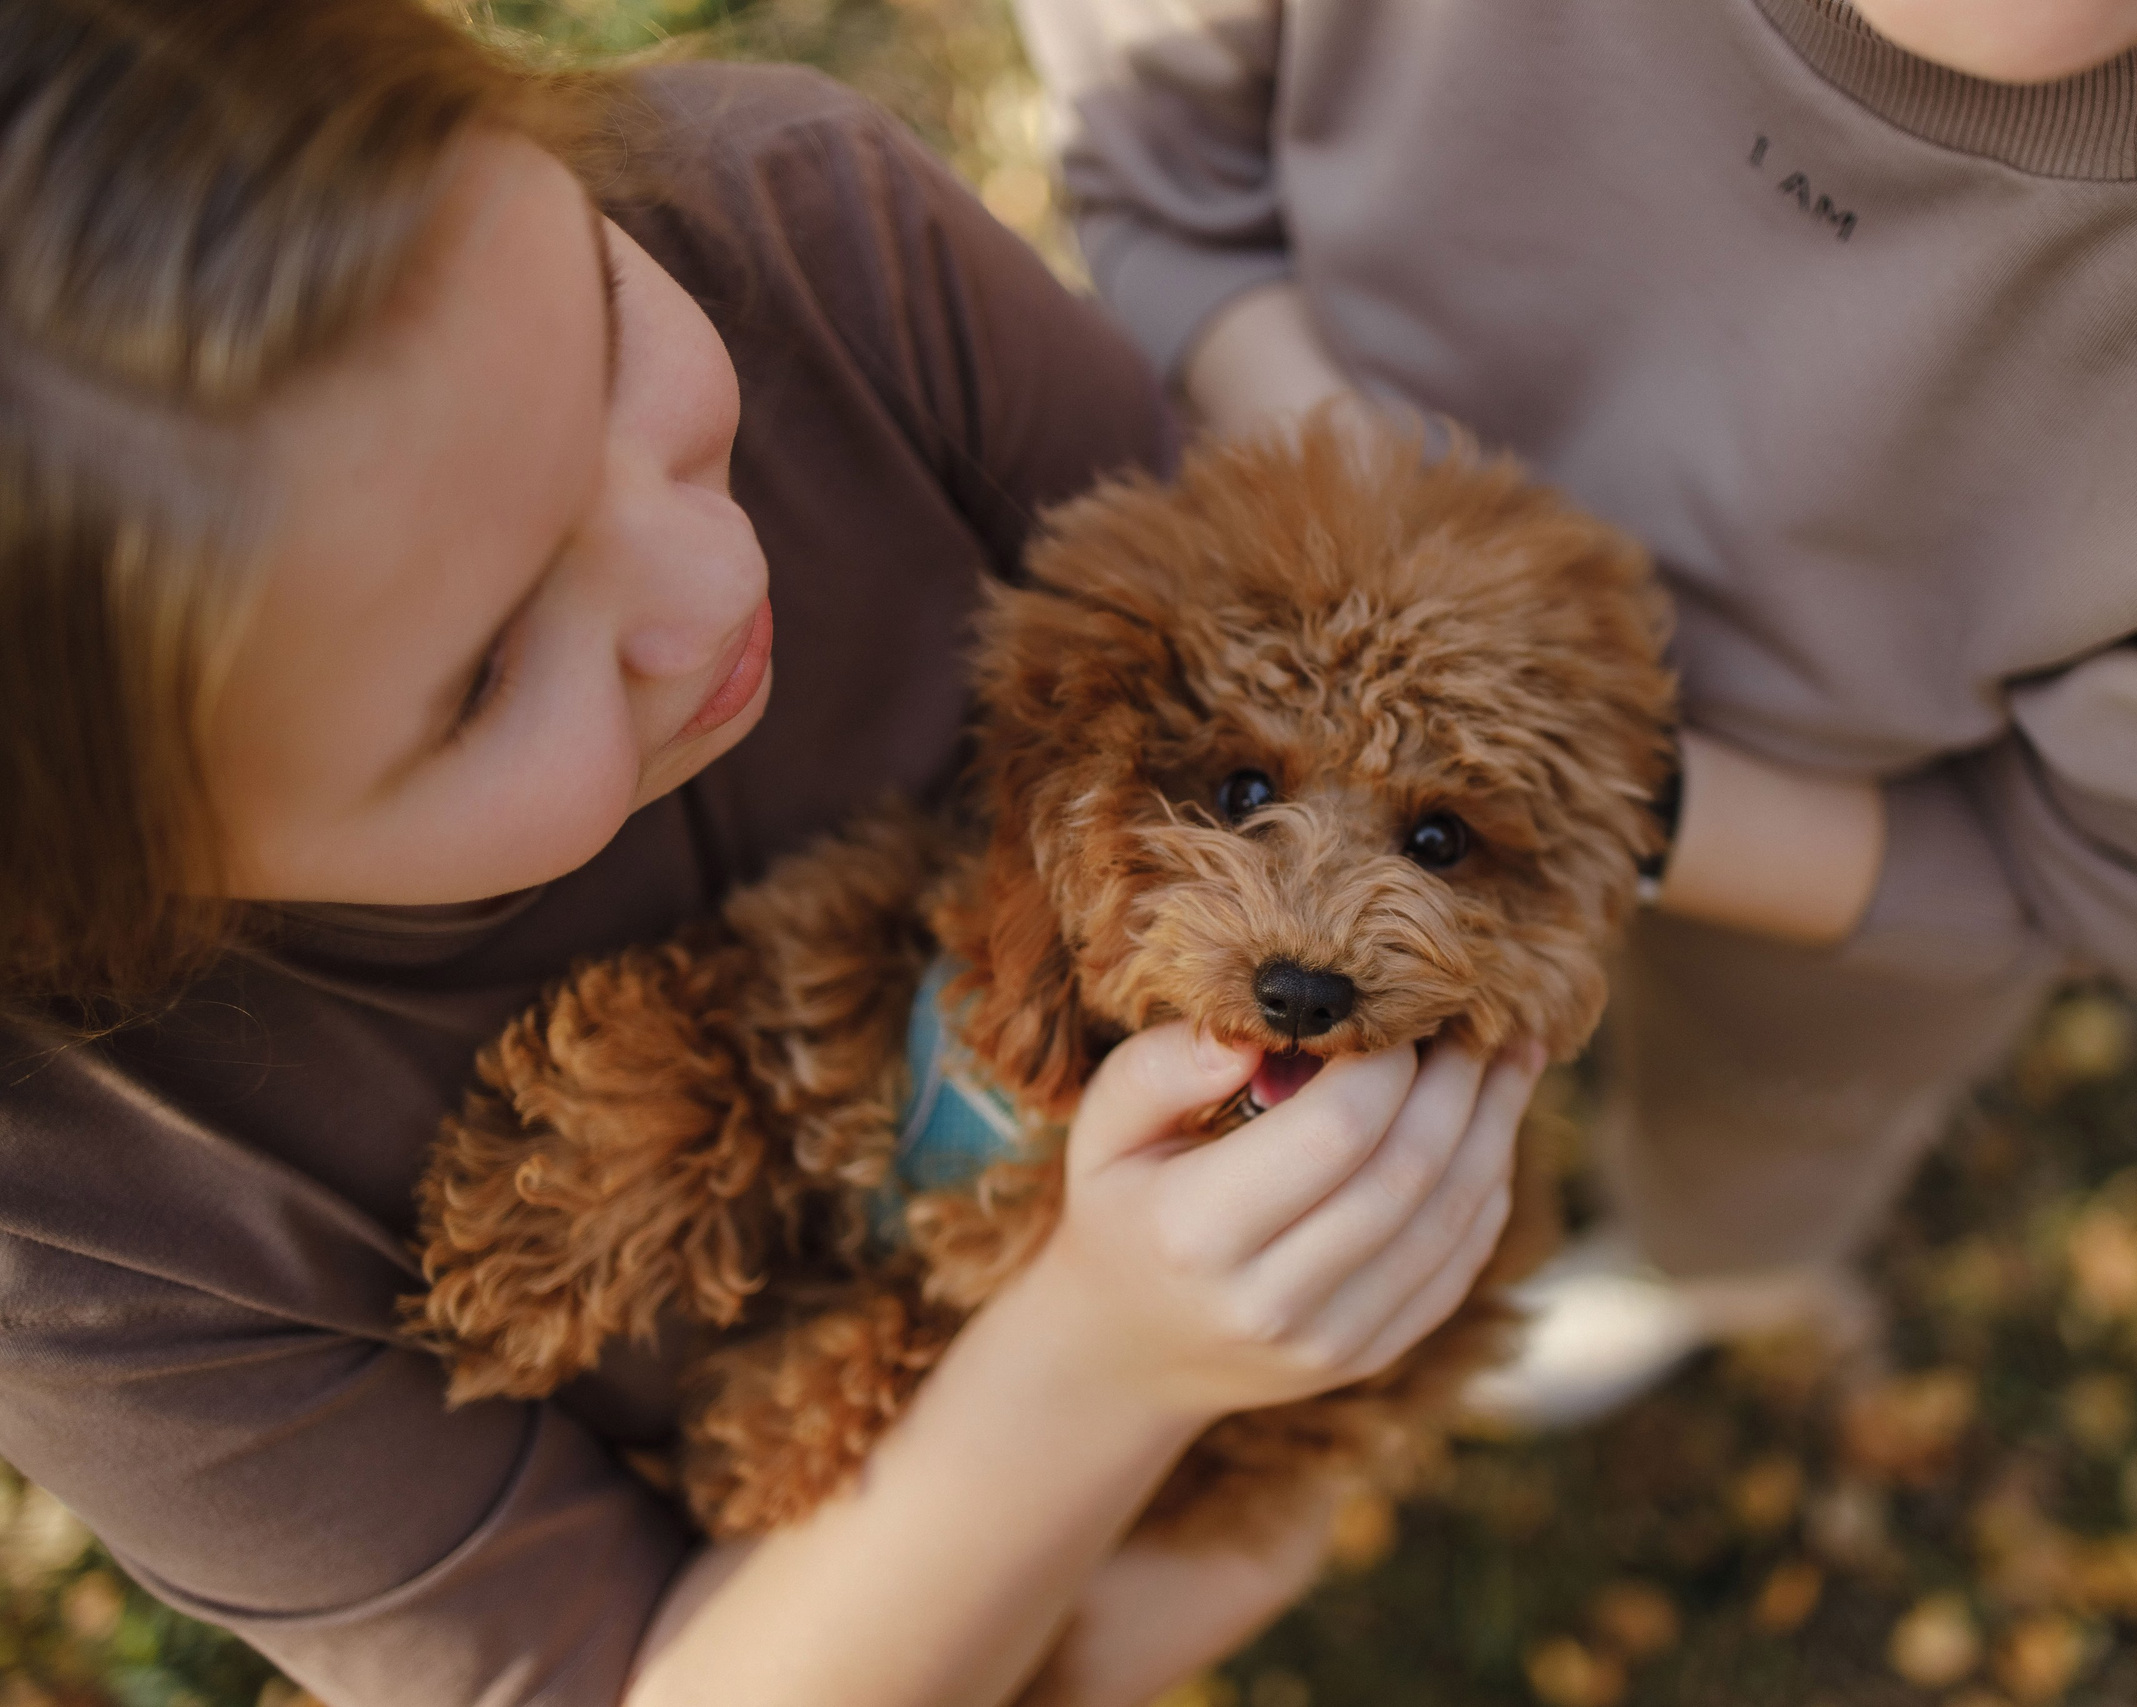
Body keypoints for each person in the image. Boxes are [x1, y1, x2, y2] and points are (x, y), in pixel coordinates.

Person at [0, 3, 1543, 1704]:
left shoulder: (795, 227)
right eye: (486, 677)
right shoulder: (87, 1211)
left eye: (602, 338)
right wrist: (1105, 1365)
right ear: (117, 896)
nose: (714, 583)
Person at [1013, 0, 2137, 1419]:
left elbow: (2107, 866)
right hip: (1266, 640)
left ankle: (1702, 1268)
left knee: (1763, 1131)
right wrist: (1348, 484)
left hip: (1843, 901)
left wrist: (1639, 809)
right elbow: (1158, 146)